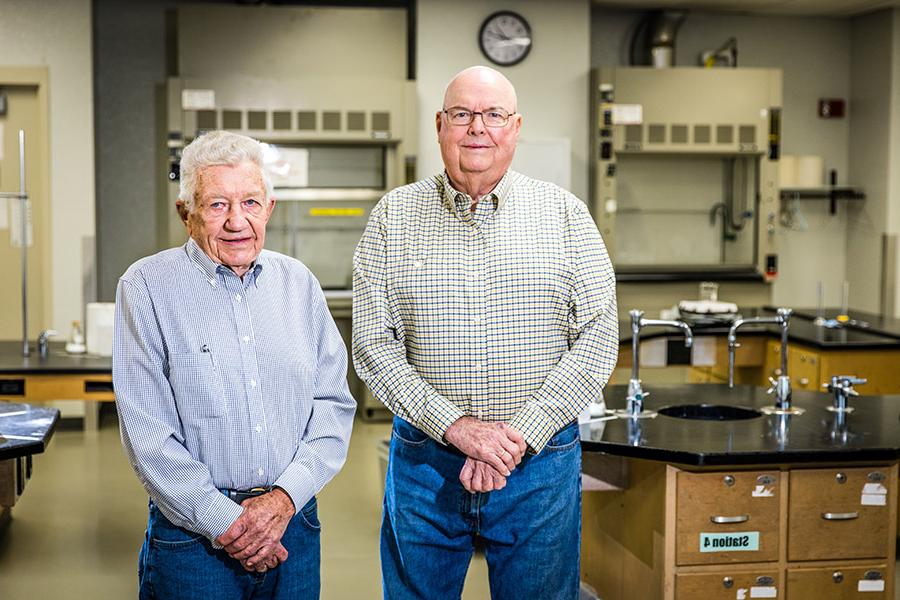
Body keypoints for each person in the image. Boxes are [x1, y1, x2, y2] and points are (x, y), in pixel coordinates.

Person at [352, 66, 618, 599]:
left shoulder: (564, 215)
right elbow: (373, 346)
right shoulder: (393, 217)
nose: (478, 128)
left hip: (538, 470)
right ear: (440, 125)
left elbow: (598, 338)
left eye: (493, 115)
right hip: (427, 465)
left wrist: (517, 435)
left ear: (514, 127)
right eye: (462, 114)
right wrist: (456, 428)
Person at [113, 130, 355, 600]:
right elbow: (148, 434)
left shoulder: (298, 285)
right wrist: (231, 525)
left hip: (294, 525)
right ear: (187, 214)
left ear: (269, 209)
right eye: (217, 205)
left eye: (249, 202)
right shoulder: (146, 288)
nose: (236, 221)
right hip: (193, 538)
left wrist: (282, 502)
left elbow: (332, 403)